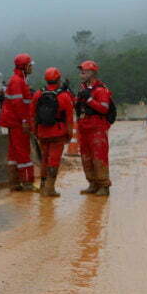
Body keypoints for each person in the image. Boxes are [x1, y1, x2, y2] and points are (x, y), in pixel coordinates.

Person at [31, 67, 75, 197]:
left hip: (42, 133)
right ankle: (50, 188)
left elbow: (32, 114)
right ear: (59, 79)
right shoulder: (64, 96)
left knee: (44, 159)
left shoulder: (38, 94)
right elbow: (69, 118)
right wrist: (69, 134)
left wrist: (35, 131)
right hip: (57, 133)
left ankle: (43, 186)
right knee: (54, 160)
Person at [74, 60, 114, 196]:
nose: (81, 74)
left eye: (84, 71)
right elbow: (78, 107)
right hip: (84, 127)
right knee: (86, 158)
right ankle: (92, 183)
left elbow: (104, 108)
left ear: (92, 72)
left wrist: (89, 100)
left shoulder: (101, 89)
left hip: (97, 128)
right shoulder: (83, 88)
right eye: (81, 71)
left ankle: (104, 185)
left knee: (99, 157)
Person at [0, 53, 35, 191]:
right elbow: (19, 104)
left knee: (14, 153)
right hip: (18, 123)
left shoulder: (18, 80)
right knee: (23, 152)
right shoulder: (18, 81)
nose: (32, 67)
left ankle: (14, 183)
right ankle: (27, 182)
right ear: (24, 66)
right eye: (30, 65)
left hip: (14, 122)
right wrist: (25, 121)